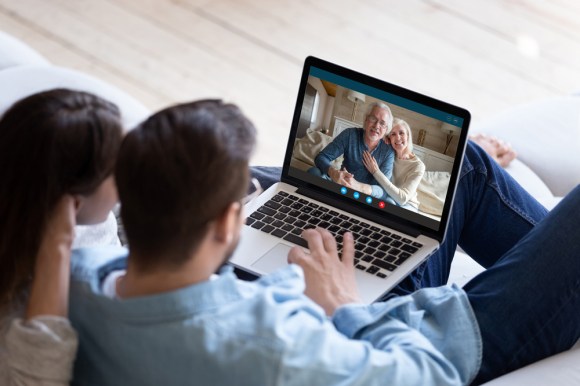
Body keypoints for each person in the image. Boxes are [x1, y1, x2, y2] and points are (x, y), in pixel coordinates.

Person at [69, 99, 579, 385]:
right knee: (470, 168)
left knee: (276, 181)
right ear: (229, 223)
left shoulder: (75, 282)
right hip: (433, 331)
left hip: (250, 287)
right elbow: (429, 375)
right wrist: (341, 303)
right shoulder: (275, 350)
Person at [0, 89, 123, 385]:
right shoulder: (22, 302)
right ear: (72, 204)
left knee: (255, 177)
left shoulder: (20, 186)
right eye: (118, 169)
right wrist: (56, 248)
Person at [308, 102, 395, 199]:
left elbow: (384, 190)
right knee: (314, 172)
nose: (377, 125)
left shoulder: (388, 151)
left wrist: (359, 186)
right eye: (373, 118)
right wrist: (333, 173)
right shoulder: (350, 134)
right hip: (341, 188)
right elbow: (321, 157)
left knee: (389, 201)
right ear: (366, 119)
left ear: (386, 129)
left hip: (365, 198)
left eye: (382, 123)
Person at [362, 118, 425, 209]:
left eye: (401, 133)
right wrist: (381, 139)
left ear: (408, 136)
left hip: (407, 204)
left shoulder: (418, 166)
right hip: (389, 199)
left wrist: (376, 172)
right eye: (393, 134)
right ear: (389, 138)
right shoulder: (388, 155)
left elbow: (402, 199)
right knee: (385, 204)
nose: (398, 138)